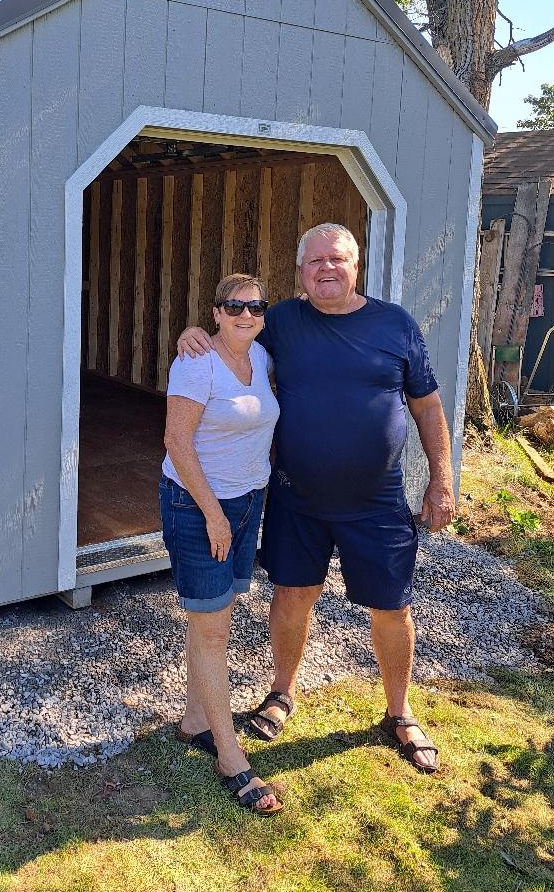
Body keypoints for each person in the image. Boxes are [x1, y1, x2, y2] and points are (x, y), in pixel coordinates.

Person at [178, 223, 455, 773]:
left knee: (392, 608)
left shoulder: (394, 324)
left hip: (376, 501)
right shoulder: (281, 320)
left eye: (337, 259)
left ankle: (398, 712)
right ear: (301, 272)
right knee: (291, 598)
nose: (326, 269)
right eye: (315, 262)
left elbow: (426, 405)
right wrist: (195, 333)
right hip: (297, 497)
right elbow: (234, 332)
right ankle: (281, 693)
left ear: (357, 266)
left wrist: (442, 480)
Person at [162, 273, 283, 814]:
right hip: (198, 505)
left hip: (247, 502)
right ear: (215, 312)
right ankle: (231, 757)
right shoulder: (195, 361)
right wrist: (213, 515)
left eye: (256, 306)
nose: (246, 314)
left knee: (218, 618)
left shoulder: (262, 357)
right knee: (213, 629)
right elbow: (175, 441)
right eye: (234, 306)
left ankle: (194, 719)